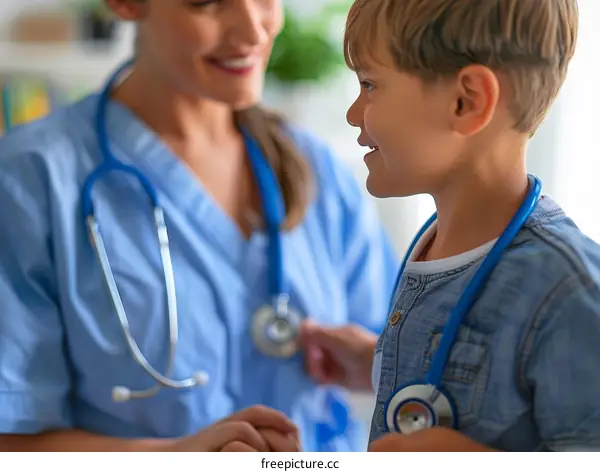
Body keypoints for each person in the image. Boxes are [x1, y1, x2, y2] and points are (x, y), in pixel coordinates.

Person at [0, 0, 398, 452]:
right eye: (209, 3)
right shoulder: (29, 179)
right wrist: (177, 458)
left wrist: (376, 364)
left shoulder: (319, 170)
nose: (252, 30)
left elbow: (400, 358)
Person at [301, 0, 600, 452]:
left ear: (467, 101)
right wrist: (378, 364)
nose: (353, 113)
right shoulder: (435, 245)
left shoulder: (569, 290)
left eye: (369, 85)